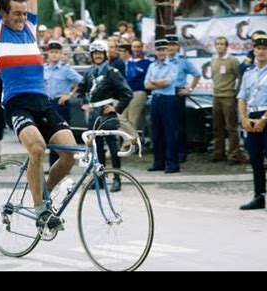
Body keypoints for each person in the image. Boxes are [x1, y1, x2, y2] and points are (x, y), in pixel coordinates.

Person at [0, 0, 76, 231]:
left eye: (24, 13)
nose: (22, 18)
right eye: (16, 13)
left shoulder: (30, 30)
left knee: (69, 153)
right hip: (16, 103)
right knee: (37, 148)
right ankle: (40, 211)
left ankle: (44, 194)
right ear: (3, 14)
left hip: (42, 102)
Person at [237, 35, 267, 212]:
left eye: (265, 48)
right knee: (255, 159)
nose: (261, 51)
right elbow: (242, 96)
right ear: (254, 50)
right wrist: (243, 117)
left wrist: (264, 119)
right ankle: (259, 197)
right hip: (251, 117)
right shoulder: (249, 73)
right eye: (258, 48)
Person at [77, 40, 133, 192]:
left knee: (113, 148)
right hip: (94, 115)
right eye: (95, 54)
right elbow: (80, 90)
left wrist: (116, 108)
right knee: (98, 149)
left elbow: (127, 93)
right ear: (91, 56)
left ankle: (117, 179)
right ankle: (100, 180)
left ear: (105, 55)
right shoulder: (89, 72)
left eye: (100, 54)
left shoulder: (112, 72)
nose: (97, 56)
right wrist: (83, 104)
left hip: (107, 114)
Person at [44, 40, 82, 166]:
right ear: (48, 54)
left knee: (62, 135)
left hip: (61, 104)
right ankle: (52, 165)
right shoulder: (44, 69)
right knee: (50, 135)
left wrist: (69, 95)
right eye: (51, 52)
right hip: (48, 104)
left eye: (56, 52)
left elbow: (81, 81)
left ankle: (65, 164)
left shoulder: (66, 69)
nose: (54, 55)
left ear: (60, 54)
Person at [145, 39, 179, 173]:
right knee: (156, 132)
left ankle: (172, 164)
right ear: (155, 51)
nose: (161, 52)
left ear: (167, 50)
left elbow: (168, 82)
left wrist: (155, 83)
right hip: (156, 99)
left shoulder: (172, 65)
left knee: (170, 132)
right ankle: (158, 162)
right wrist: (158, 82)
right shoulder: (152, 66)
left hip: (168, 100)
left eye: (163, 50)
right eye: (159, 50)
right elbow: (146, 85)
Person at [166, 34, 200, 163]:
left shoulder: (182, 61)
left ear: (178, 47)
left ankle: (181, 152)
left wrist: (189, 89)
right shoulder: (162, 60)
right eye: (168, 45)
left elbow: (196, 74)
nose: (171, 47)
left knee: (178, 125)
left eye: (173, 45)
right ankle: (168, 152)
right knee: (166, 124)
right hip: (164, 93)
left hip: (177, 94)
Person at [210, 36, 242, 164]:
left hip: (229, 96)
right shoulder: (213, 60)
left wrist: (237, 93)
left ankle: (234, 154)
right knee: (217, 126)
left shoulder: (232, 60)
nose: (220, 46)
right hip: (216, 95)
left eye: (222, 44)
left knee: (231, 127)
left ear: (226, 46)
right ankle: (219, 152)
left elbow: (240, 77)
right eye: (217, 44)